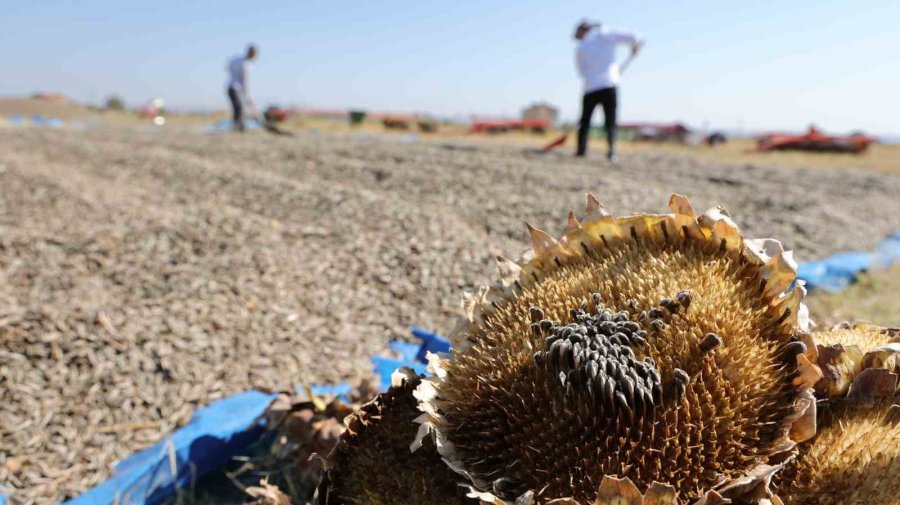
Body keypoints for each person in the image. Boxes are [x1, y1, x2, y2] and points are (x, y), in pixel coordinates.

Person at [574, 21, 642, 162]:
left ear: (582, 31)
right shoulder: (607, 34)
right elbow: (635, 36)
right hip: (609, 83)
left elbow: (581, 72)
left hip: (591, 86)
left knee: (585, 121)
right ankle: (611, 152)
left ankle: (581, 150)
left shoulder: (581, 46)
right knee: (610, 121)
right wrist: (634, 47)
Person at [226, 44, 258, 132]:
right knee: (239, 108)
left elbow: (228, 66)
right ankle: (239, 127)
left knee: (238, 108)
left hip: (231, 87)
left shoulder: (237, 60)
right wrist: (249, 97)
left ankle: (239, 126)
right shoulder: (245, 64)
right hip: (236, 88)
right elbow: (245, 81)